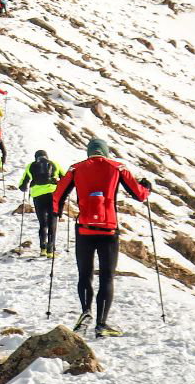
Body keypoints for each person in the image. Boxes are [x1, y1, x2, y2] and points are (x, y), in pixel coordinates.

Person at [52, 138, 153, 339]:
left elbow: (58, 195)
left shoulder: (75, 169)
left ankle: (85, 312)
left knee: (85, 274)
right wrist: (146, 187)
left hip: (84, 229)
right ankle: (101, 324)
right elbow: (140, 195)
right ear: (105, 152)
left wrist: (57, 213)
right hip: (108, 230)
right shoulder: (117, 167)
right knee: (107, 276)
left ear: (89, 152)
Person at [19, 150, 65, 257]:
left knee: (42, 223)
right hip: (52, 195)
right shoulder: (54, 164)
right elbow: (65, 178)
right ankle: (51, 249)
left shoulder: (31, 166)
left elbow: (22, 185)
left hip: (38, 197)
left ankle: (42, 248)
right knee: (52, 222)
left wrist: (26, 186)